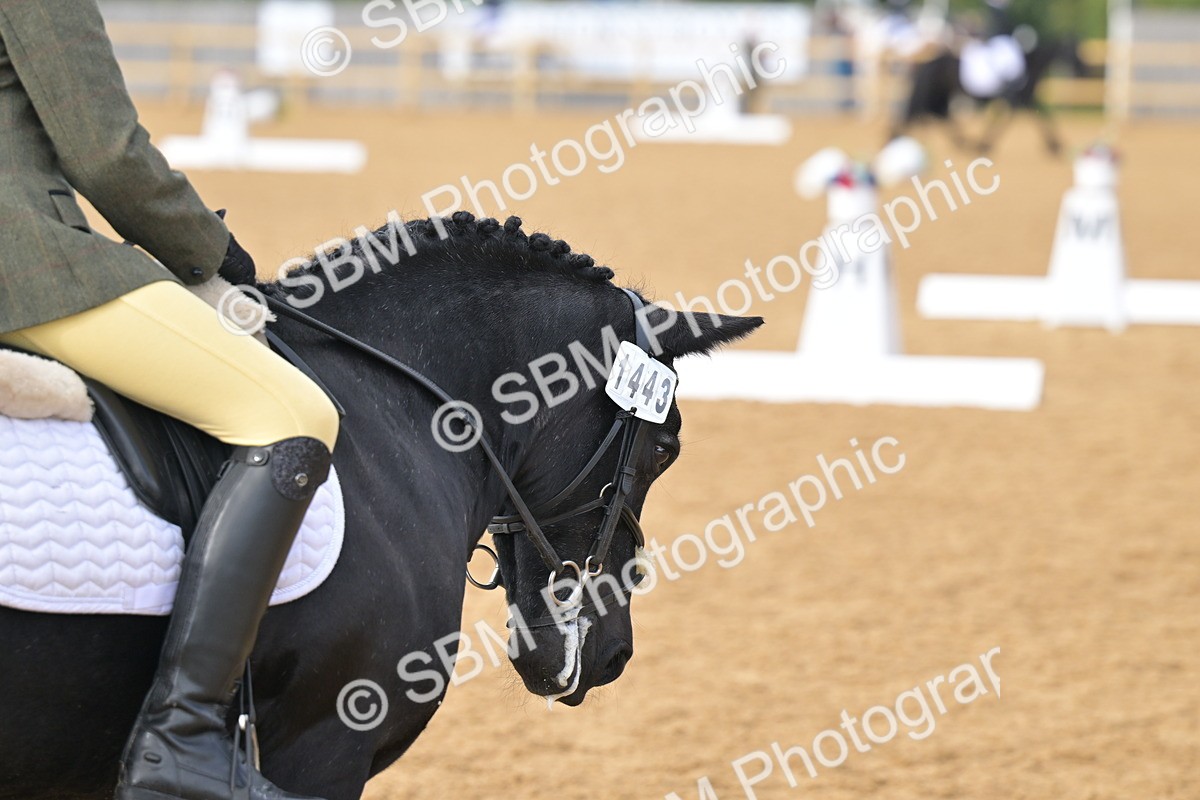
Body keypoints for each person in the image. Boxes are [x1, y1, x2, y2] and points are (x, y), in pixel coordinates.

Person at [0, 3, 339, 799]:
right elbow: (106, 151)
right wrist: (213, 253)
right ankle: (180, 739)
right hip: (26, 261)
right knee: (294, 413)